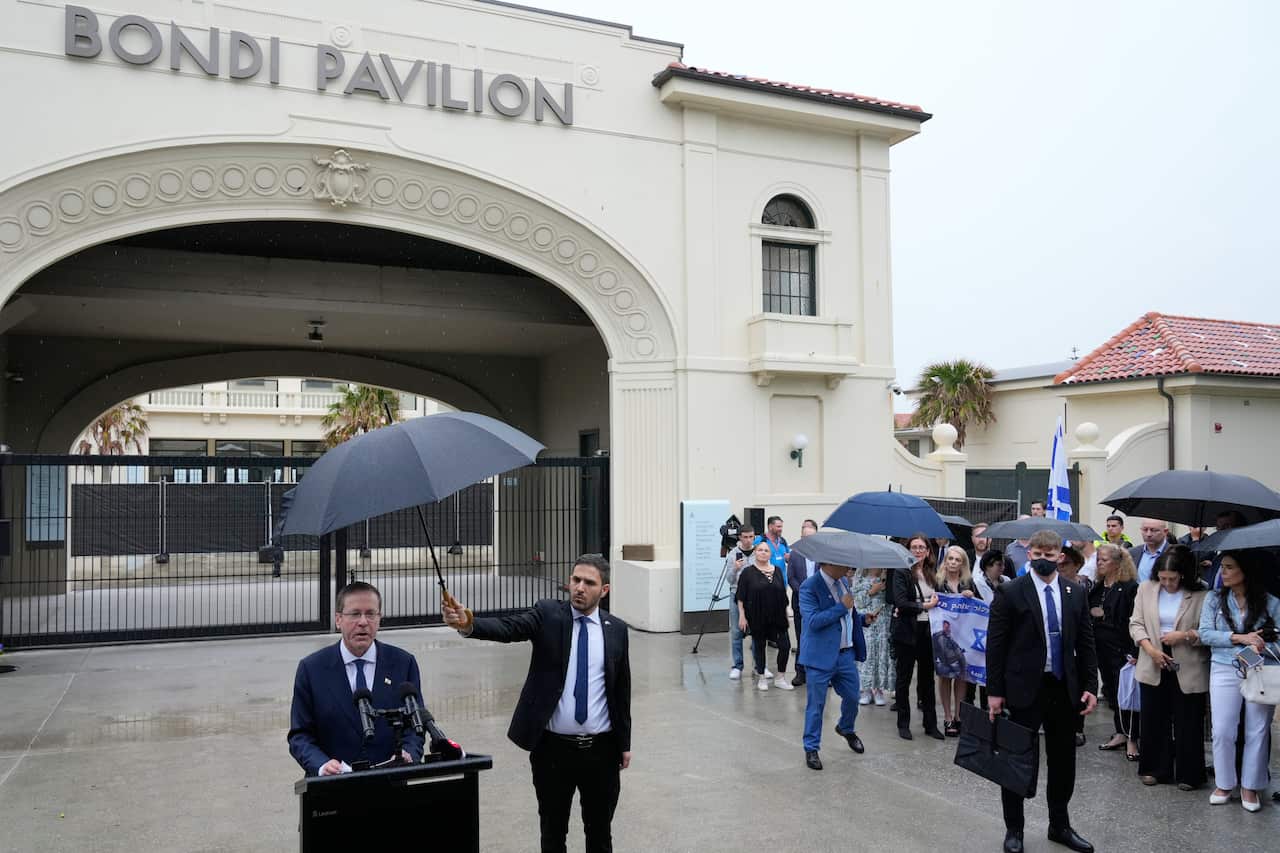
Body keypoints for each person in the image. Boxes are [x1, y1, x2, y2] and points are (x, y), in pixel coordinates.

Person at [442, 554, 632, 853]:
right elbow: (509, 628)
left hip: (602, 752)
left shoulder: (616, 629)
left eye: (589, 583)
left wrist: (624, 743)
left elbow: (621, 690)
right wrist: (470, 624)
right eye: (575, 580)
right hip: (554, 752)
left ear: (604, 590)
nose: (579, 587)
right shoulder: (548, 614)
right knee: (553, 833)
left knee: (600, 834)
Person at [987, 530, 1098, 853]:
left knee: (1064, 761)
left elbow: (1085, 643)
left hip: (1063, 689)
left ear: (1060, 556)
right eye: (1037, 554)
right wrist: (994, 692)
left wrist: (1091, 685)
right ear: (1029, 553)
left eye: (1050, 555)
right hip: (1022, 688)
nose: (1043, 560)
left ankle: (1059, 825)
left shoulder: (1074, 592)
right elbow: (996, 647)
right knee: (1017, 760)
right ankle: (1015, 830)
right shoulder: (1010, 592)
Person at [288, 581, 425, 775]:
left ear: (379, 619)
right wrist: (321, 765)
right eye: (354, 614)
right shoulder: (312, 669)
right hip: (333, 787)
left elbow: (416, 724)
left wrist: (409, 753)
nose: (363, 622)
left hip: (390, 783)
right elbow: (300, 735)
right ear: (338, 620)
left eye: (370, 614)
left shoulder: (403, 663)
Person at [1197, 549, 1280, 812]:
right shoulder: (1214, 598)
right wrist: (1240, 639)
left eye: (1230, 567)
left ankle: (1250, 786)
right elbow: (1205, 634)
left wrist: (1262, 647)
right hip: (1223, 667)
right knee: (1222, 729)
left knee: (1257, 729)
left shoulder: (1271, 602)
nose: (1223, 573)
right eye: (1223, 567)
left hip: (1260, 669)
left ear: (1246, 570)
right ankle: (1224, 783)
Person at [1128, 545, 1209, 790]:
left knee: (1189, 719)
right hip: (1153, 656)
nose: (1167, 584)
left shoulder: (1201, 593)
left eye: (1172, 579)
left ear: (1183, 574)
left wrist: (1184, 635)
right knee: (1153, 716)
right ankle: (1154, 768)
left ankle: (1189, 773)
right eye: (1162, 579)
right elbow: (1136, 623)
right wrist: (1150, 649)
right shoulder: (1146, 588)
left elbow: (1207, 631)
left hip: (1188, 659)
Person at [797, 560, 879, 770]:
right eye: (844, 563)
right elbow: (813, 621)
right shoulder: (809, 586)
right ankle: (811, 748)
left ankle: (845, 727)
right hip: (819, 656)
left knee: (853, 697)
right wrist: (842, 606)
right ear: (828, 563)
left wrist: (862, 619)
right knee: (816, 706)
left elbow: (847, 617)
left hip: (844, 654)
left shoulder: (843, 580)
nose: (849, 567)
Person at [1090, 543, 1141, 760]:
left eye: (1104, 560)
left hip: (1121, 648)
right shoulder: (1098, 587)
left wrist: (1133, 652)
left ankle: (1132, 738)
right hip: (1100, 647)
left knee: (1126, 693)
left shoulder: (1129, 587)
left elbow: (1133, 620)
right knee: (1111, 691)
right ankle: (1120, 732)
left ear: (1117, 563)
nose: (1100, 563)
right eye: (1098, 559)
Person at [891, 534, 944, 740]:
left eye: (922, 547)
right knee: (903, 679)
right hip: (906, 631)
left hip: (928, 632)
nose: (918, 551)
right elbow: (901, 602)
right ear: (908, 550)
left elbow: (942, 598)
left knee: (927, 680)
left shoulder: (933, 573)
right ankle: (903, 724)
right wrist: (924, 606)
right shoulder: (901, 572)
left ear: (928, 551)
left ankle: (930, 725)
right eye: (914, 547)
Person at [737, 540, 794, 691]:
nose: (763, 552)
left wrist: (786, 611)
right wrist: (742, 616)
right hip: (757, 615)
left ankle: (780, 677)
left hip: (777, 615)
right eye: (760, 550)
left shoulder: (777, 571)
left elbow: (782, 594)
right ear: (755, 552)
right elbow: (740, 597)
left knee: (785, 645)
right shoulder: (747, 572)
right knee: (760, 646)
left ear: (770, 554)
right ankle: (761, 676)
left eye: (766, 551)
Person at [934, 546, 977, 736]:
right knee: (944, 675)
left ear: (963, 564)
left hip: (963, 635)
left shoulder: (968, 582)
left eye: (957, 560)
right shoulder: (936, 582)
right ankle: (947, 716)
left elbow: (979, 607)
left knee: (961, 675)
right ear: (945, 561)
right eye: (950, 559)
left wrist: (971, 596)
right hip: (943, 636)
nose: (952, 562)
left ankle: (959, 716)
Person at [852, 567, 894, 706]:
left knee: (880, 656)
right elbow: (857, 601)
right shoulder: (859, 576)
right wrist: (872, 591)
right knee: (867, 655)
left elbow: (892, 600)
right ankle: (865, 689)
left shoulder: (888, 576)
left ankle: (878, 690)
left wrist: (885, 584)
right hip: (865, 622)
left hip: (883, 622)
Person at [787, 519, 820, 687]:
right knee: (801, 638)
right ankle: (800, 672)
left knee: (819, 638)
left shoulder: (822, 554)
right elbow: (791, 577)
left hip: (819, 603)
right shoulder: (795, 553)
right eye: (804, 536)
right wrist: (804, 592)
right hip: (800, 602)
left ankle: (820, 672)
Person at [723, 526, 756, 681]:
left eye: (751, 537)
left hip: (756, 597)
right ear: (740, 538)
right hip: (736, 595)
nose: (748, 540)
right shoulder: (732, 555)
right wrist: (735, 569)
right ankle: (737, 666)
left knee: (757, 632)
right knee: (736, 632)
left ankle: (759, 666)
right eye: (745, 537)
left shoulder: (759, 552)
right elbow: (729, 580)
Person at [753, 515, 790, 586]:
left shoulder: (783, 541)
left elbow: (787, 559)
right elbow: (753, 560)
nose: (781, 529)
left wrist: (788, 559)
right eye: (778, 527)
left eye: (781, 527)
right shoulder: (760, 540)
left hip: (782, 583)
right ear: (770, 527)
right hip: (765, 582)